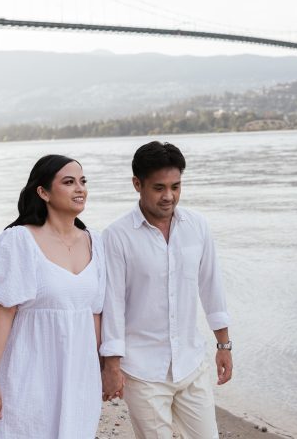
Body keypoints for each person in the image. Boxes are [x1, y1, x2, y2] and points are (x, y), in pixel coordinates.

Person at [100, 141, 233, 439]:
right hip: (142, 370)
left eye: (176, 186)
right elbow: (112, 305)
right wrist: (111, 364)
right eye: (159, 187)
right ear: (137, 184)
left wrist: (223, 345)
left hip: (190, 363)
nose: (169, 196)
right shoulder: (116, 237)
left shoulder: (197, 226)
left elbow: (212, 287)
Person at [0, 154, 105, 438]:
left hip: (79, 374)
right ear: (43, 192)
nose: (80, 189)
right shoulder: (19, 241)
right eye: (69, 182)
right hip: (30, 370)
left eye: (83, 182)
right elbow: (5, 311)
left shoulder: (96, 241)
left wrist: (102, 368)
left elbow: (95, 312)